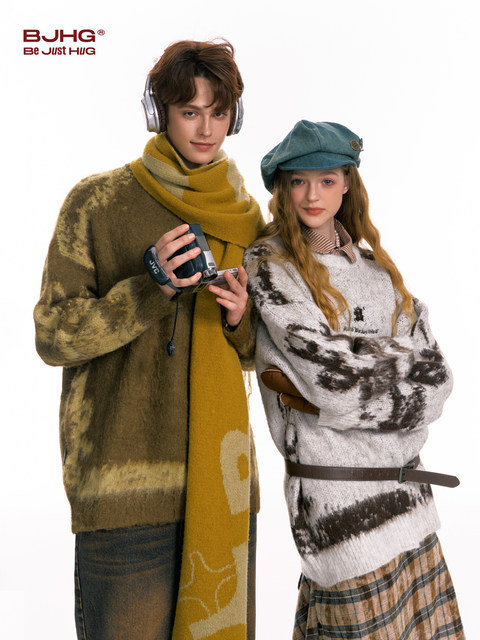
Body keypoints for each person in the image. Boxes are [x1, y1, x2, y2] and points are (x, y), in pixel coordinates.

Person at [33, 39, 263, 640]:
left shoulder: (248, 219)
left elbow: (262, 356)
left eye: (219, 112)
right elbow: (53, 334)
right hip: (124, 491)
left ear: (235, 116)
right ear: (159, 112)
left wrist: (241, 321)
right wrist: (149, 287)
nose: (206, 129)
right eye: (190, 112)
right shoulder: (97, 202)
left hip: (224, 488)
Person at [244, 120, 464, 639]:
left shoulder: (377, 270)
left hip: (410, 501)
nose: (312, 195)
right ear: (282, 189)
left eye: (326, 180)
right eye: (298, 182)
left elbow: (438, 378)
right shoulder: (271, 266)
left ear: (347, 183)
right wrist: (398, 367)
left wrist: (356, 367)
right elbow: (334, 383)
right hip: (339, 509)